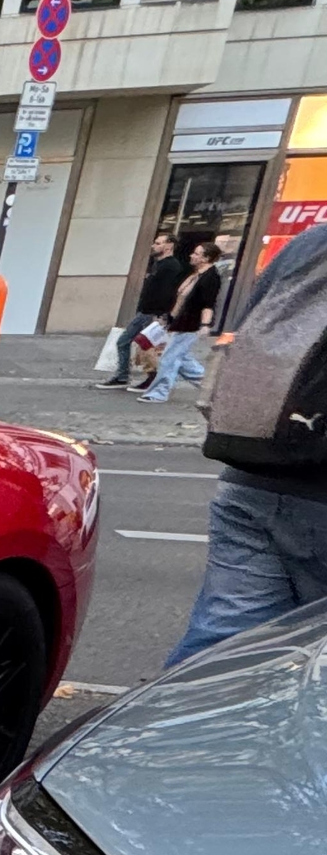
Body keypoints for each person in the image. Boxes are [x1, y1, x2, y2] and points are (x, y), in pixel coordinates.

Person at [166, 222, 327, 663]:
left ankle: (172, 725)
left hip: (253, 471)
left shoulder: (309, 244)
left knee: (222, 648)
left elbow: (249, 331)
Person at [139, 238, 221, 403]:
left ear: (205, 258)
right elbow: (180, 299)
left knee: (169, 359)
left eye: (196, 254)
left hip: (190, 324)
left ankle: (158, 394)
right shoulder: (196, 275)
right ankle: (214, 389)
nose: (192, 256)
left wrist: (205, 325)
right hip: (179, 322)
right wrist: (168, 317)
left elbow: (208, 304)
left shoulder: (210, 277)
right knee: (182, 360)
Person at [101, 232, 182, 387]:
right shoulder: (159, 264)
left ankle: (150, 378)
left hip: (153, 313)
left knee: (144, 345)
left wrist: (161, 314)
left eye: (158, 243)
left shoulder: (171, 266)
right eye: (155, 243)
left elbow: (168, 292)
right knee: (133, 343)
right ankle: (126, 376)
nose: (154, 246)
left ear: (169, 246)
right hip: (146, 311)